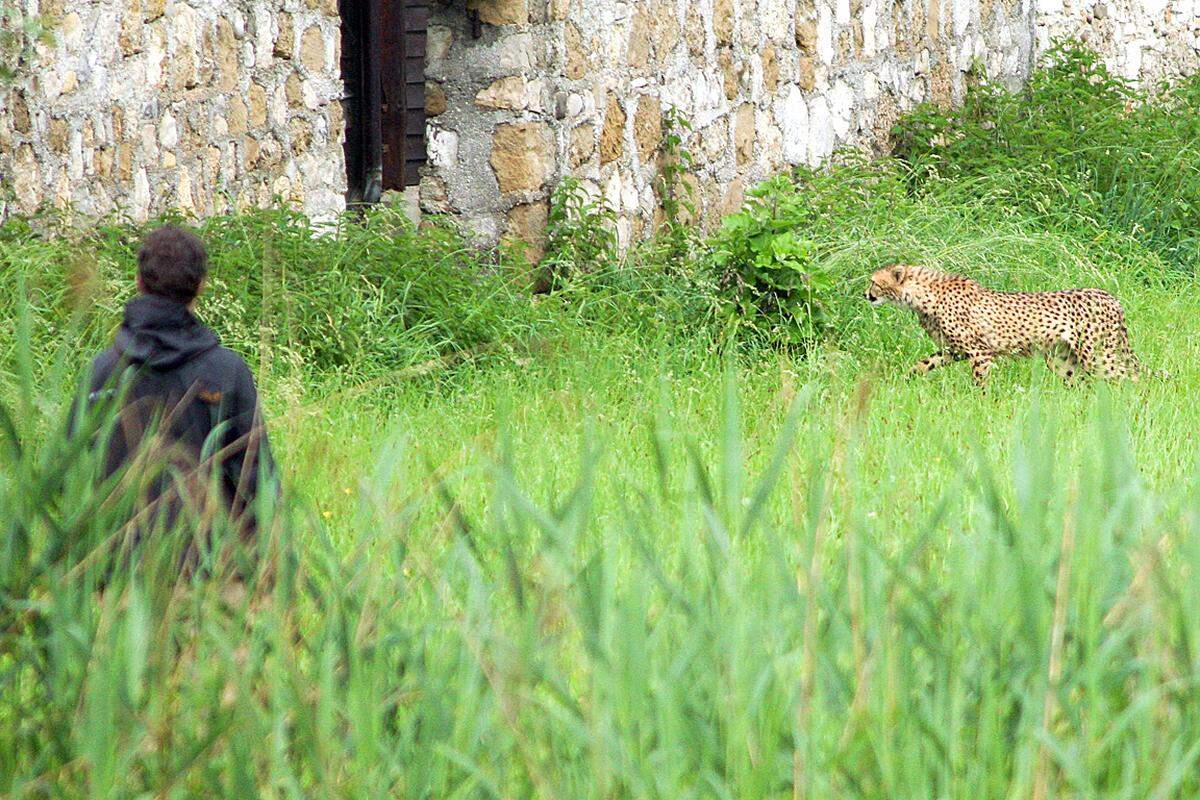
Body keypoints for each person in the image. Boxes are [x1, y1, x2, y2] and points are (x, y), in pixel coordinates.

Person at [75, 224, 276, 561]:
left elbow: (73, 475)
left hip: (118, 575)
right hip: (205, 577)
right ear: (200, 286)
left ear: (139, 282)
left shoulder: (102, 372)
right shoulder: (226, 372)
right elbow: (257, 482)